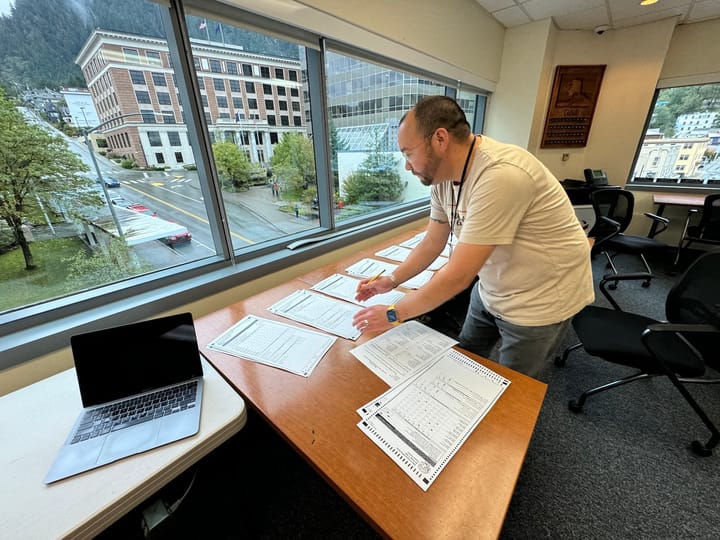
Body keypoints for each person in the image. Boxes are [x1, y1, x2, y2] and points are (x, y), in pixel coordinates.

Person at [352, 96, 594, 378]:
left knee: (510, 387)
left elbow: (457, 276)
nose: (407, 166)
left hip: (540, 299)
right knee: (465, 359)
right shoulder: (443, 179)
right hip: (493, 286)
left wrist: (393, 314)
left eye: (408, 153)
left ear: (440, 139)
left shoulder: (502, 175)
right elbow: (432, 241)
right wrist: (392, 280)